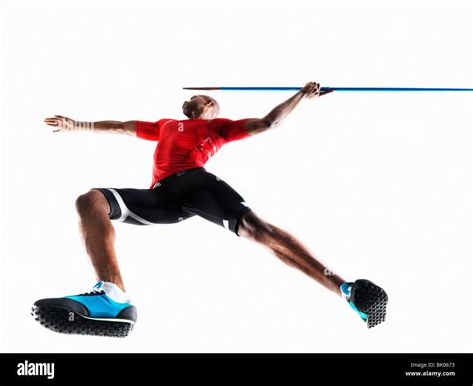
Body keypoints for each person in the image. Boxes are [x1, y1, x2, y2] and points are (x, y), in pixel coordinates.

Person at [34, 82, 388, 337]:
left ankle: (345, 289)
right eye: (192, 97)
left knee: (258, 231)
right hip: (161, 197)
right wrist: (75, 124)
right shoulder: (165, 126)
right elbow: (123, 127)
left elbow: (269, 123)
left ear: (212, 108)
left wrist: (300, 95)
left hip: (197, 183)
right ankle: (113, 297)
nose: (193, 98)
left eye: (201, 97)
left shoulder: (218, 127)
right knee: (91, 200)